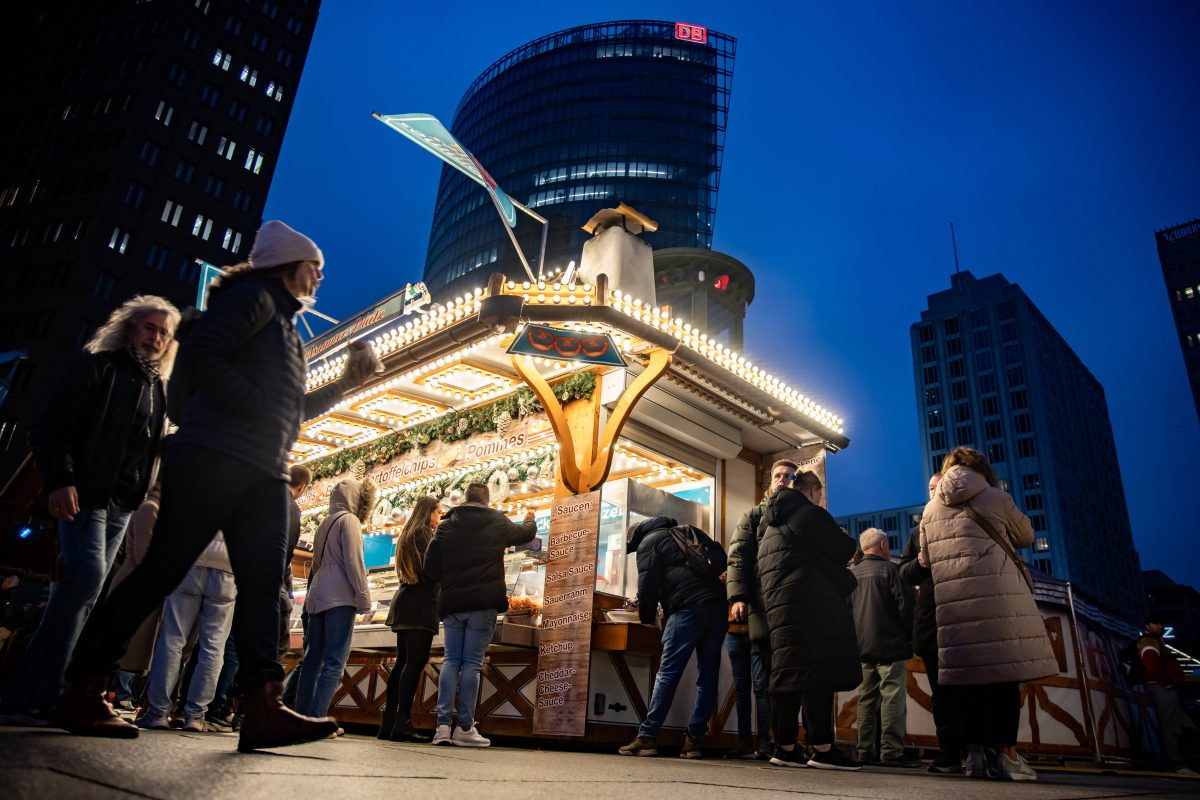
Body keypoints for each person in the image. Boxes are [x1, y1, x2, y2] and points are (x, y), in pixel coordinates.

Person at [51, 220, 381, 751]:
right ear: (291, 265)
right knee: (160, 571)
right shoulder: (253, 298)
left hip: (262, 468)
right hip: (215, 456)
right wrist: (258, 410)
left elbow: (293, 412)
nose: (321, 277)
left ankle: (263, 706)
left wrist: (347, 382)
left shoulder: (285, 327)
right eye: (315, 267)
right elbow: (204, 356)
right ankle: (82, 686)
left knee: (263, 585)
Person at [0, 296, 177, 725]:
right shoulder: (98, 367)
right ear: (131, 328)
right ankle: (42, 693)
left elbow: (149, 446)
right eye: (150, 328)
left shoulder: (157, 388)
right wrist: (61, 480)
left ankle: (39, 691)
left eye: (164, 333)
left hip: (122, 503)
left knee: (83, 593)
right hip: (87, 492)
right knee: (84, 582)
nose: (156, 338)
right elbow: (50, 428)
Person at [919, 447, 1058, 781]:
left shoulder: (930, 508)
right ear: (981, 468)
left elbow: (924, 559)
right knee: (1003, 682)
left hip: (954, 607)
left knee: (966, 684)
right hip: (999, 604)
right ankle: (1008, 757)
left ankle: (975, 757)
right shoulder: (996, 496)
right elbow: (1025, 535)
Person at [758, 471, 862, 770]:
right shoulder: (810, 515)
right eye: (819, 492)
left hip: (780, 610)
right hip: (813, 604)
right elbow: (845, 549)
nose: (820, 497)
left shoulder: (770, 527)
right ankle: (823, 748)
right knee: (817, 673)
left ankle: (786, 746)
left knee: (787, 676)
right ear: (813, 490)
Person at [424, 483, 535, 747]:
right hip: (482, 604)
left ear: (465, 500)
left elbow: (430, 568)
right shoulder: (497, 522)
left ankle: (441, 728)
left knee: (451, 661)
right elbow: (525, 534)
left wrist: (449, 582)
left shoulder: (446, 526)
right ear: (487, 501)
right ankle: (464, 728)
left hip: (453, 603)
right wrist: (530, 515)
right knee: (472, 664)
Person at [618, 516, 727, 759]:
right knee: (708, 674)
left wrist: (646, 616)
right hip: (717, 606)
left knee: (668, 672)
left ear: (635, 537)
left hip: (687, 608)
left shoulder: (649, 542)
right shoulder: (689, 531)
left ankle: (647, 737)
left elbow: (647, 586)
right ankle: (694, 741)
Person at [725, 459, 797, 758]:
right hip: (757, 611)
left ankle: (777, 742)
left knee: (773, 683)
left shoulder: (800, 517)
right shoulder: (754, 515)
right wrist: (737, 597)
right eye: (778, 475)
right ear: (770, 481)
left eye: (788, 476)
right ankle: (760, 743)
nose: (782, 480)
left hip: (786, 611)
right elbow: (738, 557)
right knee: (757, 683)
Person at [138, 531, 236, 732]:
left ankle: (158, 712)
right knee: (214, 646)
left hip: (192, 559)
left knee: (172, 638)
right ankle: (195, 715)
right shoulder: (252, 500)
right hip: (228, 566)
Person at [295, 476, 374, 721]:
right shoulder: (349, 521)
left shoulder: (324, 523)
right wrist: (364, 598)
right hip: (340, 597)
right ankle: (318, 717)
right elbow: (354, 562)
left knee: (312, 660)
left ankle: (301, 716)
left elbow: (318, 564)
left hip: (318, 595)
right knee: (334, 662)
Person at [899, 472, 963, 774]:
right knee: (942, 692)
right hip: (933, 619)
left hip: (966, 615)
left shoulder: (967, 519)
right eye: (929, 488)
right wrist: (922, 562)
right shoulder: (919, 529)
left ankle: (984, 751)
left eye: (938, 487)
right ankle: (950, 752)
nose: (933, 491)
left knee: (975, 691)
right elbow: (905, 572)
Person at [849, 527, 916, 767]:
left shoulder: (852, 575)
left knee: (866, 698)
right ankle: (891, 752)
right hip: (891, 646)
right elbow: (906, 607)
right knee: (892, 699)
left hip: (862, 647)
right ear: (883, 546)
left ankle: (865, 750)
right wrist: (910, 638)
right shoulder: (892, 571)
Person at [379, 495, 441, 742]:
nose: (439, 518)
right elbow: (432, 570)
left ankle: (389, 722)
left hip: (405, 601)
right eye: (437, 513)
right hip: (420, 604)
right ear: (428, 513)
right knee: (414, 663)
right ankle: (403, 723)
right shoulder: (424, 533)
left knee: (403, 662)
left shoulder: (408, 533)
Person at [1138, 614, 1197, 774]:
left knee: (1186, 726)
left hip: (1166, 688)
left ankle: (1184, 760)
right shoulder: (1149, 642)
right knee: (1171, 727)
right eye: (1156, 623)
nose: (1161, 627)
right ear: (1148, 626)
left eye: (1161, 624)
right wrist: (1167, 683)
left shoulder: (1156, 642)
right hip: (1161, 688)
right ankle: (1177, 763)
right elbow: (1151, 664)